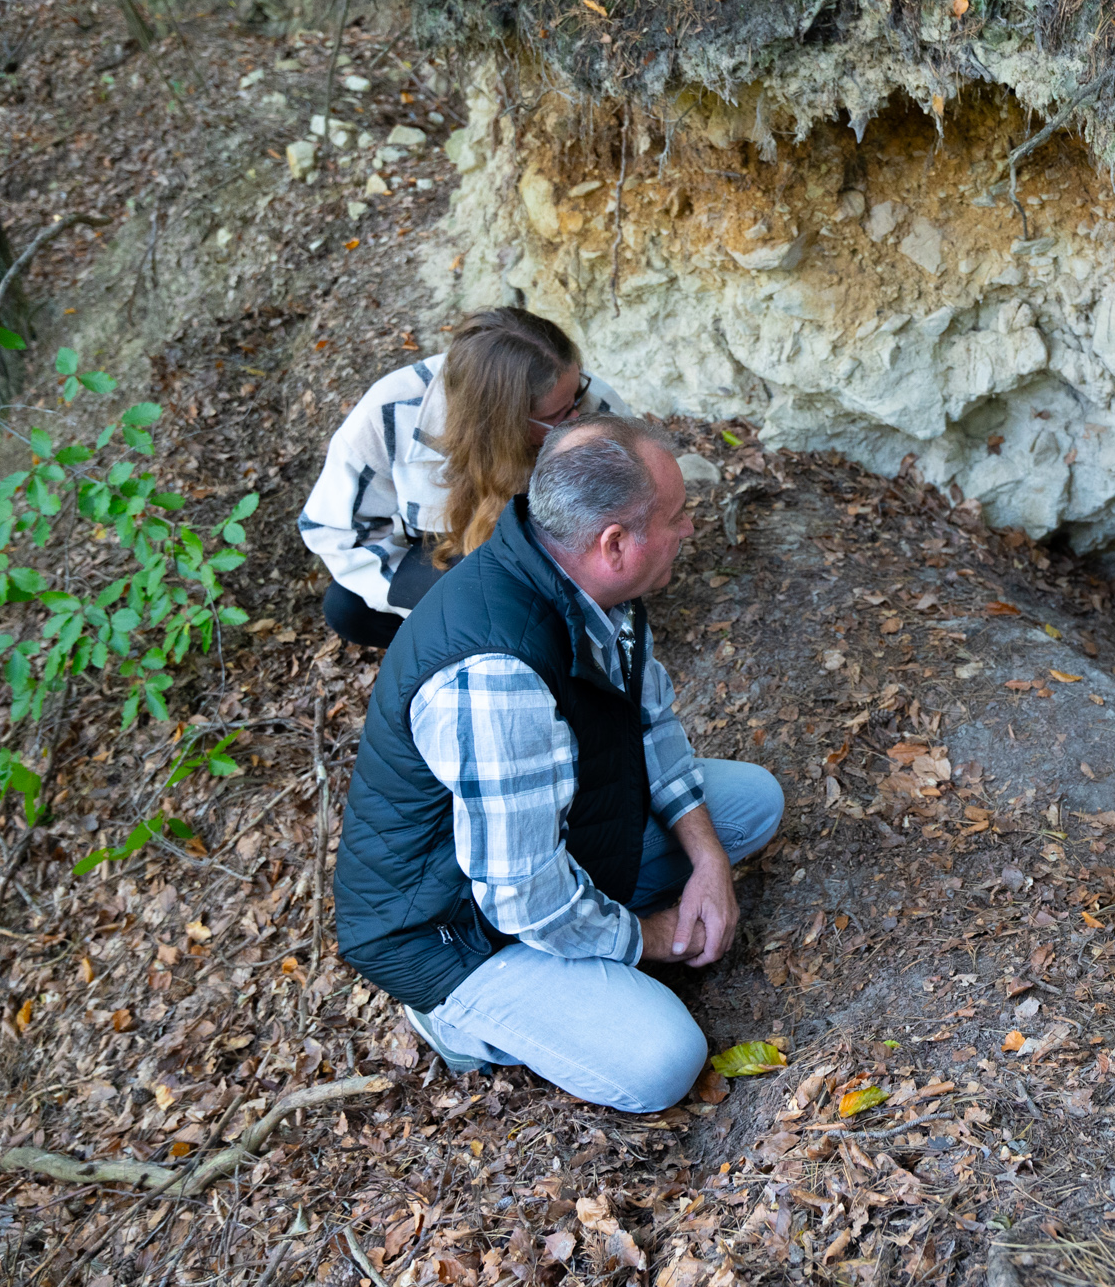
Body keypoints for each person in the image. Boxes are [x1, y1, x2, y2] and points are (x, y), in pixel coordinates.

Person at [334, 413, 781, 1113]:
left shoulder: (589, 582)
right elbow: (522, 897)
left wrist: (709, 862)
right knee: (662, 1061)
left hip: (548, 841)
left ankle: (595, 935)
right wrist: (654, 937)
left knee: (749, 803)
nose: (691, 528)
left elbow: (648, 723)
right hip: (454, 929)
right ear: (614, 543)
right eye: (677, 515)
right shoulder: (495, 676)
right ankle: (458, 1022)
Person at [300, 305, 626, 649]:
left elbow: (631, 513)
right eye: (559, 414)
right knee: (346, 608)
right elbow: (335, 531)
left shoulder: (596, 406)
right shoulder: (388, 414)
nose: (577, 418)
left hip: (549, 560)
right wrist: (440, 609)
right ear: (499, 420)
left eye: (577, 394)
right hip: (445, 561)